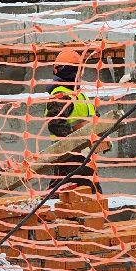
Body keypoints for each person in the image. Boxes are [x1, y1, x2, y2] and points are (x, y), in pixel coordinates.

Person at [43, 47, 103, 194]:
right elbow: (56, 125)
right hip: (70, 158)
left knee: (67, 194)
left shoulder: (80, 96)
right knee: (91, 195)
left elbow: (95, 120)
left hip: (84, 157)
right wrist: (77, 138)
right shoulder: (61, 95)